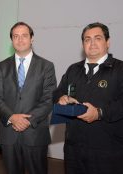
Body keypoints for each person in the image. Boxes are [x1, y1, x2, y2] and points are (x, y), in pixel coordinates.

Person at [53, 22, 123, 174]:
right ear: (82, 44)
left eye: (97, 38)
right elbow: (57, 93)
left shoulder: (120, 69)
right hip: (74, 151)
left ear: (108, 42)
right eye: (87, 39)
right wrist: (62, 97)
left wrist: (99, 113)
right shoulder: (73, 69)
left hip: (108, 152)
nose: (92, 43)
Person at [0, 22, 57, 174]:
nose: (20, 40)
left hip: (35, 133)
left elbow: (49, 98)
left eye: (24, 36)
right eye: (16, 36)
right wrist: (12, 117)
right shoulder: (1, 66)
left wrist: (27, 120)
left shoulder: (46, 66)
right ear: (12, 40)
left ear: (32, 39)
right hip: (9, 134)